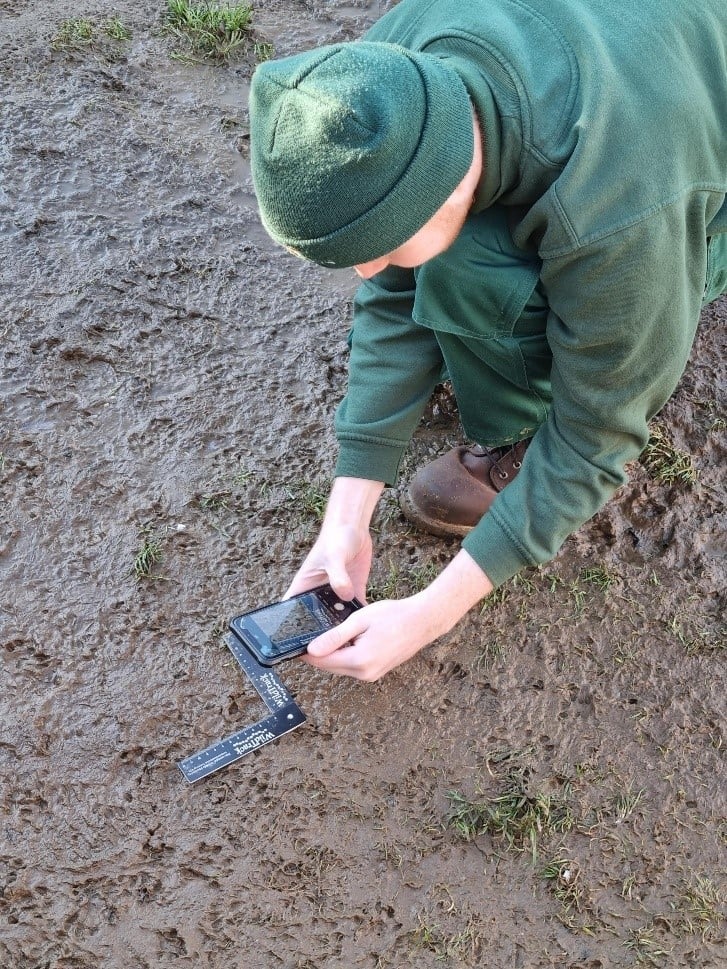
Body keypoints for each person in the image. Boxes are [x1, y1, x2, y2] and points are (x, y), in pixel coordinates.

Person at [248, 0, 727, 681]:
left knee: (473, 269)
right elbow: (391, 295)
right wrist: (346, 514)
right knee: (432, 264)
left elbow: (597, 435)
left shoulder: (618, 207)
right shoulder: (380, 79)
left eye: (374, 246)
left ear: (441, 185)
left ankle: (515, 435)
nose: (363, 272)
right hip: (642, 49)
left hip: (680, 141)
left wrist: (429, 612)